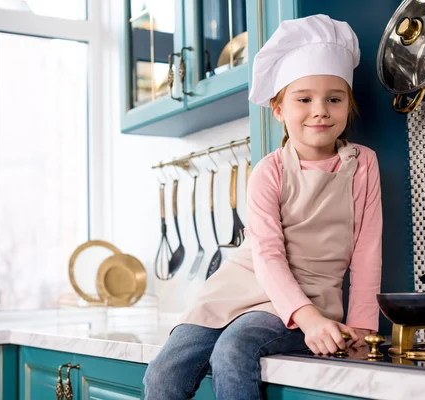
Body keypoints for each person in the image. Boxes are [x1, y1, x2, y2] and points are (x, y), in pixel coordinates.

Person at [143, 14, 382, 400]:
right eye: (303, 99)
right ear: (279, 109)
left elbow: (367, 251)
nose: (320, 109)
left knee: (236, 349)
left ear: (347, 106)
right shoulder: (268, 171)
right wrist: (308, 321)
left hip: (310, 294)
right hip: (238, 285)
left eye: (334, 99)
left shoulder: (362, 164)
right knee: (165, 371)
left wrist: (361, 327)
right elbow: (268, 256)